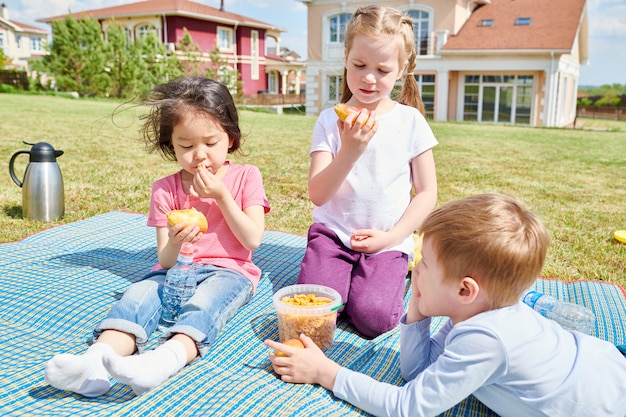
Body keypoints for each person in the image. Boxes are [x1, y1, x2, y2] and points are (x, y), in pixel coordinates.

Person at [266, 193, 626, 417]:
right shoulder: (475, 313)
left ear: (466, 290)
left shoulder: (484, 339)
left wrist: (325, 373)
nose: (414, 269)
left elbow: (407, 406)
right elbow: (417, 372)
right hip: (599, 363)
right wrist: (417, 315)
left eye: (425, 265)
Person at [44, 76, 270, 397]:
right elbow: (164, 260)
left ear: (230, 139)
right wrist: (177, 241)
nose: (199, 155)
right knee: (137, 296)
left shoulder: (246, 176)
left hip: (230, 271)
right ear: (172, 145)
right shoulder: (165, 189)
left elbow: (252, 240)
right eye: (186, 146)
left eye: (210, 142)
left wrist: (222, 197)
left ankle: (161, 363)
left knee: (204, 304)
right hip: (175, 271)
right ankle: (93, 363)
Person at [297, 5, 438, 338]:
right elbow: (317, 194)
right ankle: (341, 282)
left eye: (382, 69)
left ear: (402, 69)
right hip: (333, 235)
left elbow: (427, 192)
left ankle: (385, 277)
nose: (369, 78)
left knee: (374, 320)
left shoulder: (410, 122)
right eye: (359, 65)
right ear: (346, 57)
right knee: (314, 313)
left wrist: (392, 238)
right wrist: (350, 152)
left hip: (387, 241)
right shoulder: (330, 121)